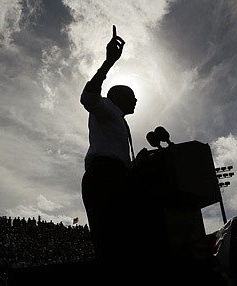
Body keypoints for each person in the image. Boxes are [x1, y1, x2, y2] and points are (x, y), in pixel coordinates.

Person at [80, 25, 137, 265]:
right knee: (111, 244)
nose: (136, 99)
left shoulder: (118, 120)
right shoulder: (106, 107)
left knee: (123, 243)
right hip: (104, 175)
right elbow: (87, 97)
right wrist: (108, 62)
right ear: (117, 97)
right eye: (131, 95)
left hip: (117, 176)